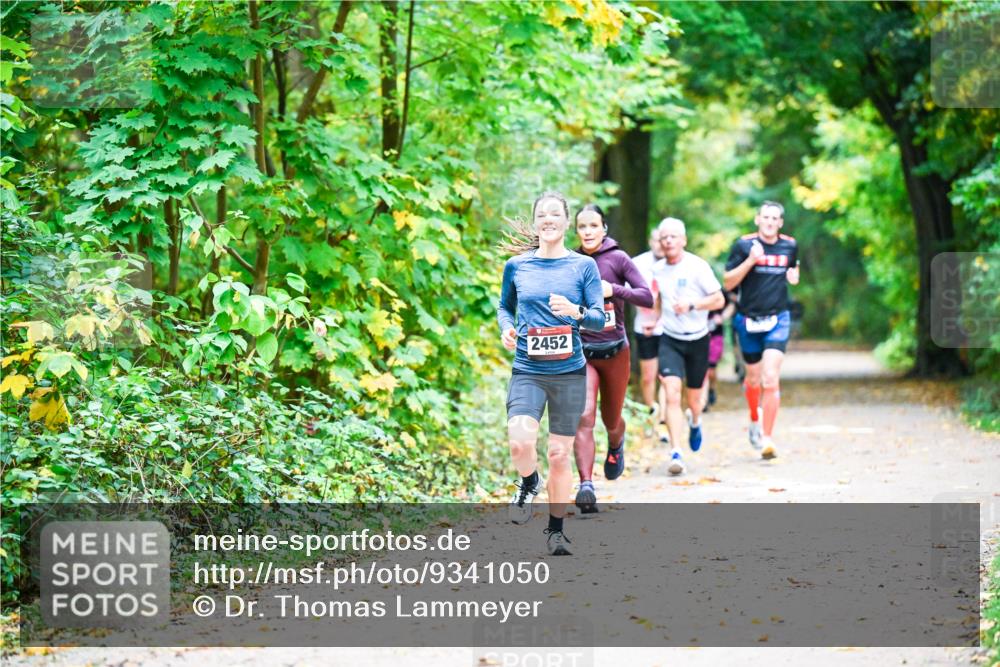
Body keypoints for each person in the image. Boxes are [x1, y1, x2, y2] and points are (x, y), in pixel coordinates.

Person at [498, 191, 605, 555]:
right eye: (542, 214)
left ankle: (556, 531)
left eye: (555, 214)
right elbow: (503, 307)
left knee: (560, 453)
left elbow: (599, 317)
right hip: (528, 369)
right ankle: (529, 482)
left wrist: (575, 311)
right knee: (520, 442)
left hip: (569, 372)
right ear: (535, 221)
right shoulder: (517, 266)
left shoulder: (582, 267)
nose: (548, 219)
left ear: (565, 221)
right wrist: (506, 328)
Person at [572, 204, 653, 513]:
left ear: (604, 229)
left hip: (615, 351)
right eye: (583, 226)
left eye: (594, 225)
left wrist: (614, 290)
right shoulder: (571, 261)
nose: (588, 231)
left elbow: (646, 296)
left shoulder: (618, 259)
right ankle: (586, 486)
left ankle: (617, 443)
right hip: (583, 352)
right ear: (577, 231)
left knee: (611, 420)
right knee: (584, 415)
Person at [723, 201, 800, 460]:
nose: (769, 222)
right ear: (757, 219)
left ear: (780, 223)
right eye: (765, 217)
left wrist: (794, 277)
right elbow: (728, 282)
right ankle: (754, 418)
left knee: (770, 378)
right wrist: (750, 261)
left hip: (778, 318)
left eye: (774, 218)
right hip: (748, 320)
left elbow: (793, 268)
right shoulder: (743, 245)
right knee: (753, 379)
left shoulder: (789, 245)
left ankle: (767, 438)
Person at [652, 218, 725, 476]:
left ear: (683, 240)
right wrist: (654, 319)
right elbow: (658, 299)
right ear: (660, 242)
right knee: (671, 392)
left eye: (673, 236)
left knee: (694, 400)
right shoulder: (658, 270)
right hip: (670, 339)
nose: (669, 241)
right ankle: (675, 451)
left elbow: (719, 299)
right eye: (664, 237)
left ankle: (695, 420)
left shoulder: (698, 267)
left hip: (698, 338)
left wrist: (693, 305)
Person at [631, 228, 668, 441]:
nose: (660, 244)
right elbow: (629, 292)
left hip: (667, 328)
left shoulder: (674, 263)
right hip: (644, 326)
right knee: (648, 376)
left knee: (666, 376)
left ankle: (663, 418)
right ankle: (650, 416)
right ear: (650, 241)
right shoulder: (637, 263)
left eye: (663, 240)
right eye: (656, 240)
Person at [701, 292, 736, 412]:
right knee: (702, 369)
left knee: (711, 370)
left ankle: (711, 388)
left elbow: (731, 304)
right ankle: (703, 401)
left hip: (715, 336)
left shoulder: (718, 290)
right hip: (698, 336)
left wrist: (722, 317)